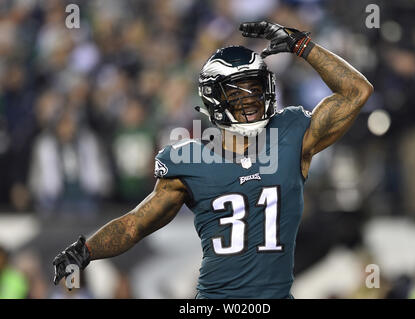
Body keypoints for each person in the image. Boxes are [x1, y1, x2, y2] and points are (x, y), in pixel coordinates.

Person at [52, 21, 373, 299]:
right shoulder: (190, 158)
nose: (251, 101)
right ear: (214, 100)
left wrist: (302, 45)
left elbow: (356, 91)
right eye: (238, 94)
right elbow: (135, 223)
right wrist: (86, 250)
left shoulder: (289, 135)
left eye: (255, 90)